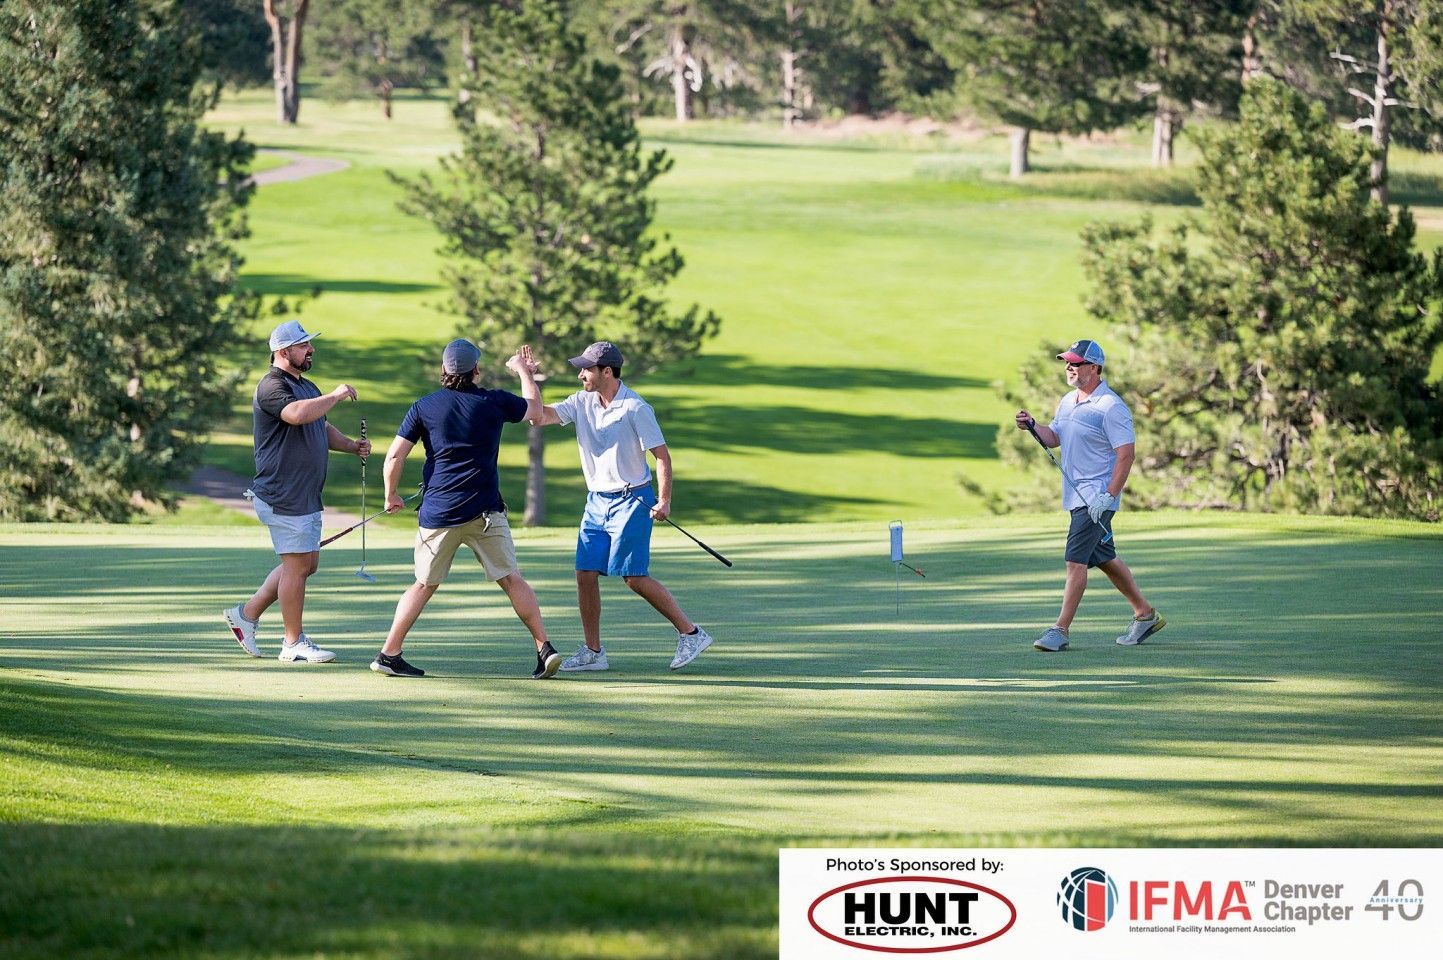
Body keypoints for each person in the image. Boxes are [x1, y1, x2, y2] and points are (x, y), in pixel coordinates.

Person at [370, 339, 561, 680]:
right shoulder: (494, 401)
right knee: (511, 578)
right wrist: (522, 370)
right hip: (485, 512)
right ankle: (544, 648)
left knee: (423, 585)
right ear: (477, 371)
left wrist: (391, 496)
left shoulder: (423, 407)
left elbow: (395, 456)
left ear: (444, 370)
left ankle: (389, 653)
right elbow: (535, 409)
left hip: (439, 514)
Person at [519, 341, 715, 672]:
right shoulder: (581, 402)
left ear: (606, 372)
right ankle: (593, 651)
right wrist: (527, 376)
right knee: (584, 574)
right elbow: (537, 418)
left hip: (632, 499)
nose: (580, 374)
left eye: (586, 369)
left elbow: (662, 456)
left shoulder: (636, 408)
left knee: (633, 577)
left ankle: (691, 632)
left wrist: (664, 500)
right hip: (596, 501)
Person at [224, 320, 371, 663]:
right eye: (304, 345)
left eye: (309, 344)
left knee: (305, 565)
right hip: (282, 493)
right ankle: (293, 643)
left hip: (300, 494)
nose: (311, 350)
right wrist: (333, 396)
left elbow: (319, 422)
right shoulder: (271, 386)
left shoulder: (305, 385)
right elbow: (295, 415)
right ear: (283, 351)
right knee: (297, 567)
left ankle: (246, 615)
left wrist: (350, 445)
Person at [1014, 338, 1165, 652]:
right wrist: (1032, 426)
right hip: (1078, 496)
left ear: (1094, 367)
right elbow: (1054, 437)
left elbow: (1126, 455)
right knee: (1105, 557)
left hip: (1095, 499)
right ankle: (1145, 613)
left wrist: (1108, 496)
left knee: (1074, 562)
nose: (1069, 367)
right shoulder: (1069, 401)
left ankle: (1060, 630)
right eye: (1067, 362)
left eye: (1076, 363)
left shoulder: (1111, 407)